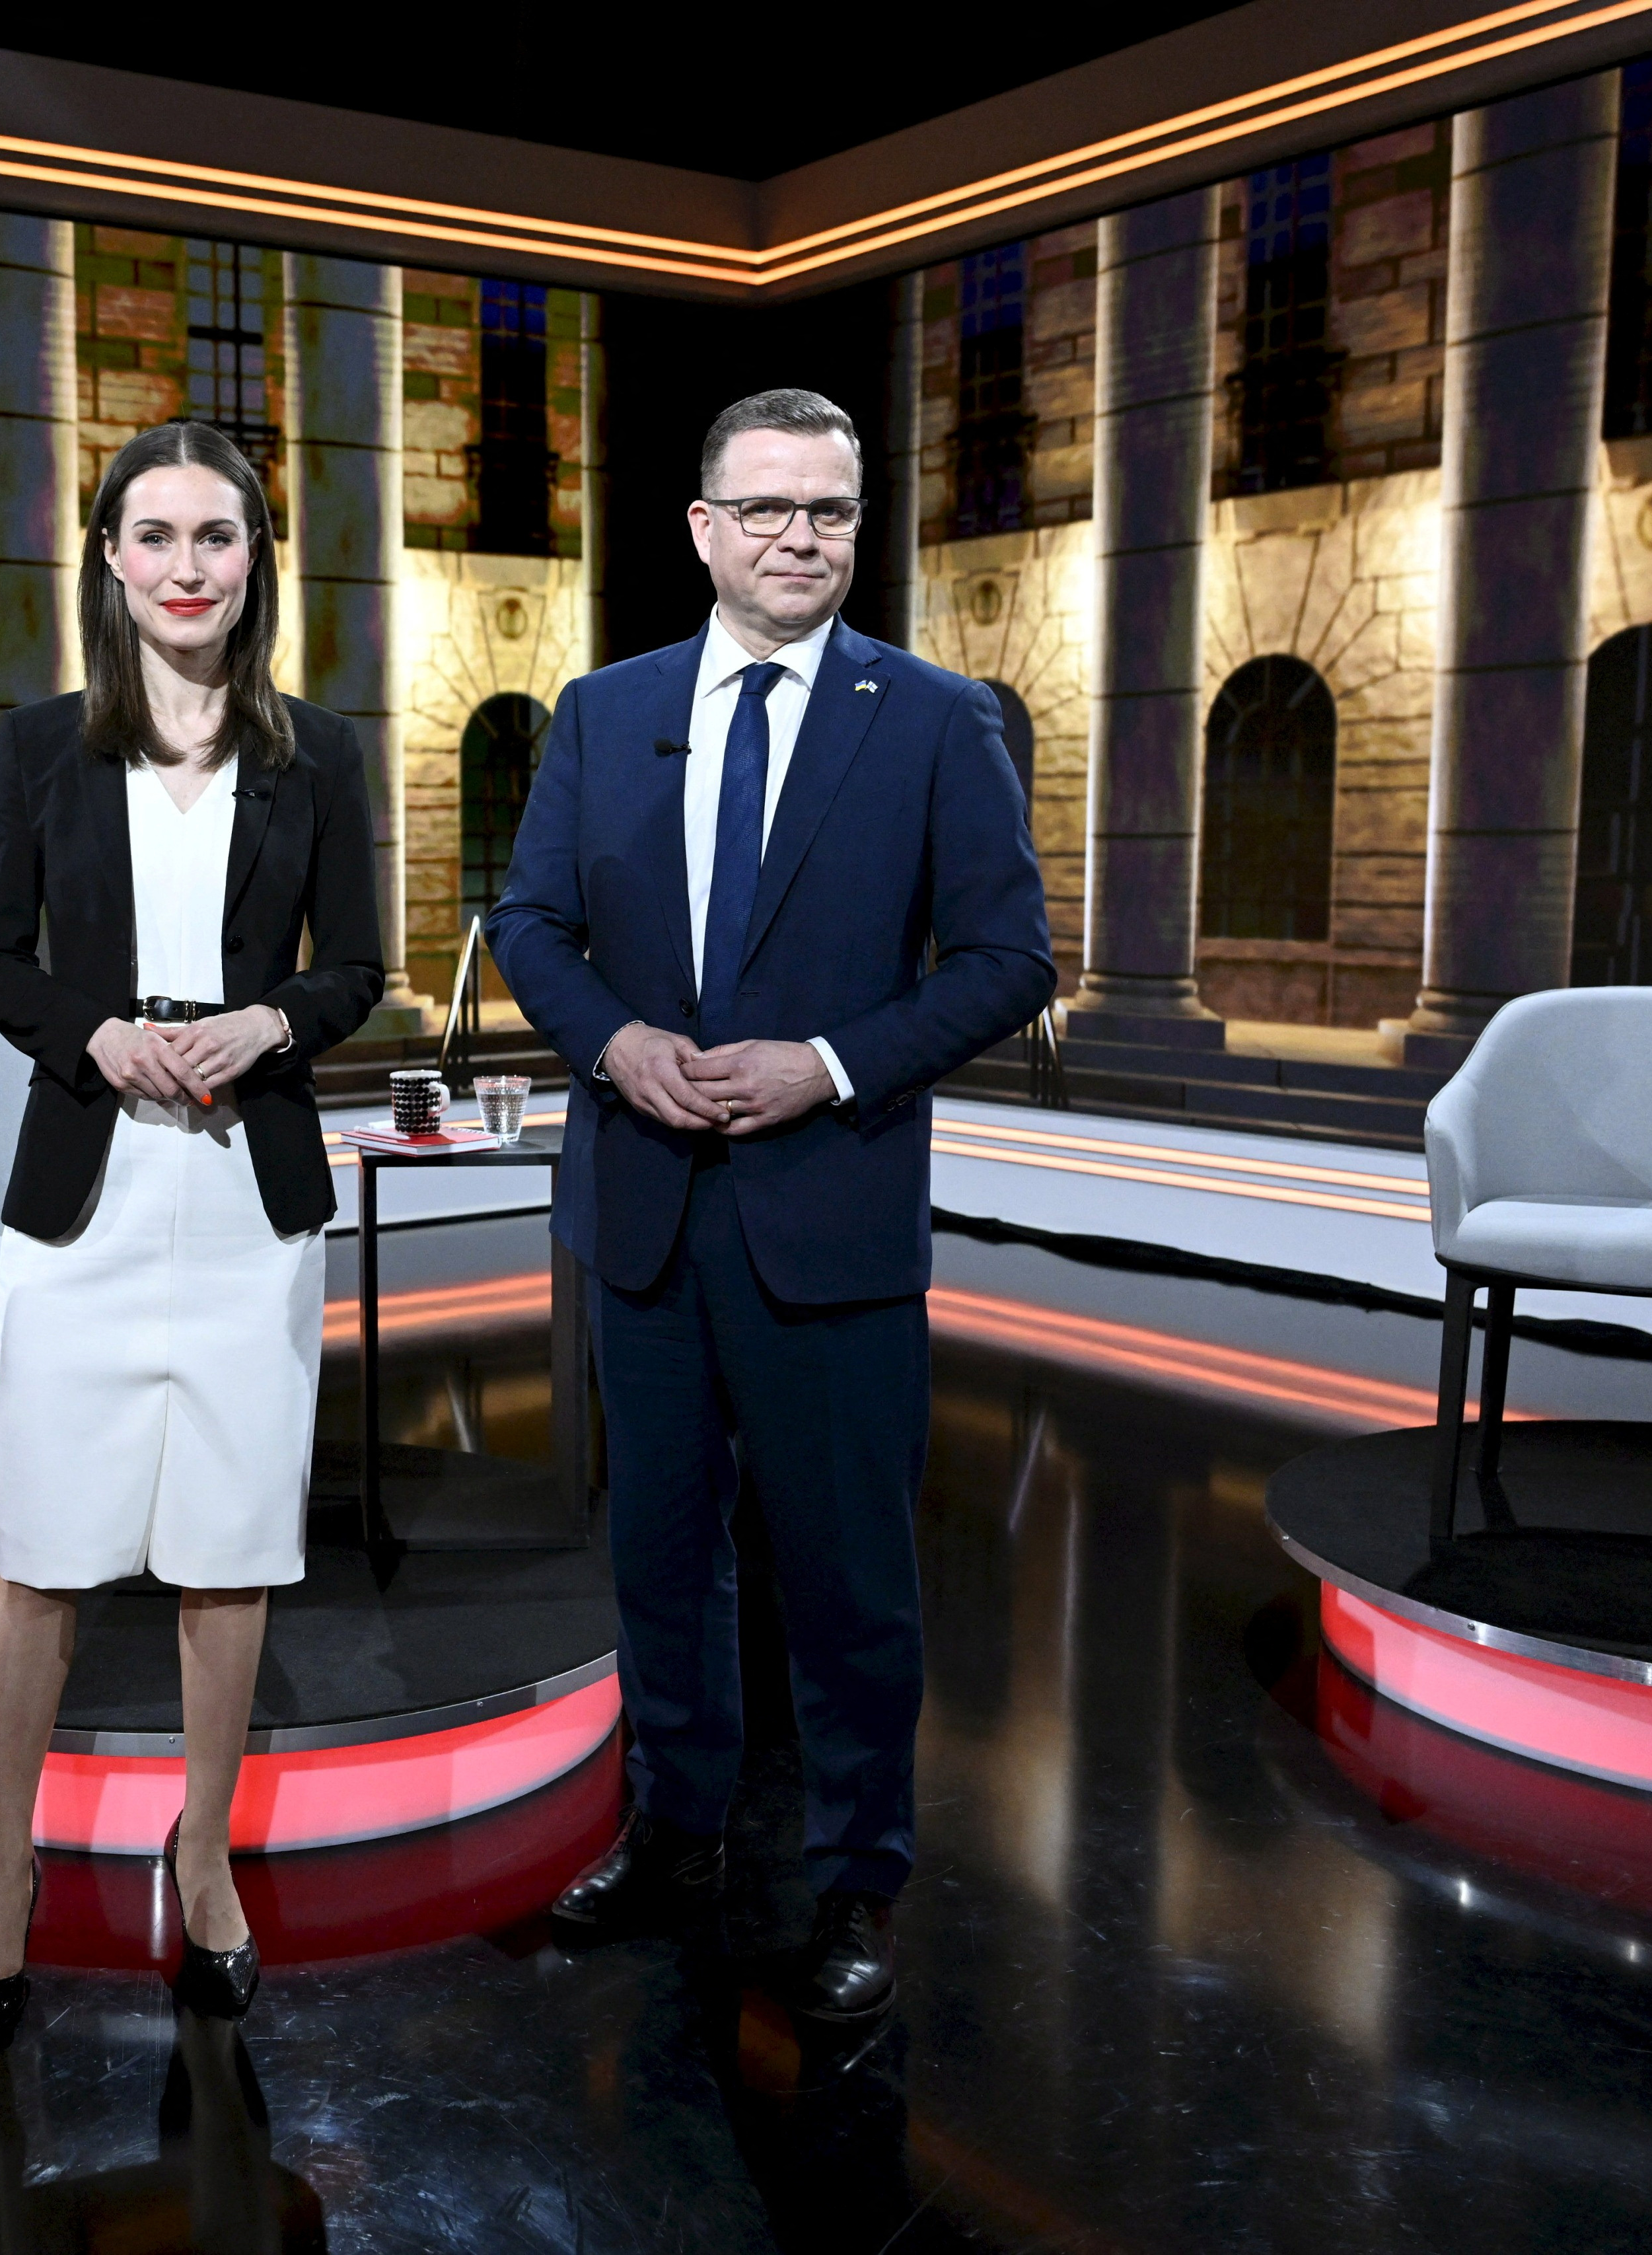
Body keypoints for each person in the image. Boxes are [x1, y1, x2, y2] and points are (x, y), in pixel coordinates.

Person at [487, 388, 1053, 2021]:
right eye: (771, 509)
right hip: (645, 1208)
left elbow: (1010, 960)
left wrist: (828, 1063)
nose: (802, 537)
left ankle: (858, 1879)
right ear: (704, 530)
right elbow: (529, 923)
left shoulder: (937, 718)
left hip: (833, 1216)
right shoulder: (603, 712)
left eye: (832, 512)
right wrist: (613, 1045)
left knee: (848, 1579)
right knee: (662, 1563)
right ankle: (674, 1837)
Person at [0, 420, 385, 2039]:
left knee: (228, 1552)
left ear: (256, 558)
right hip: (88, 1196)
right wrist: (100, 1036)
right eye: (157, 538)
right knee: (41, 1558)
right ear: (111, 561)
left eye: (218, 537)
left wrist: (266, 1028)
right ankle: (6, 1874)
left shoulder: (319, 753)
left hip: (246, 1199)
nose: (187, 567)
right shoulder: (43, 746)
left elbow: (357, 969)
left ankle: (202, 1859)